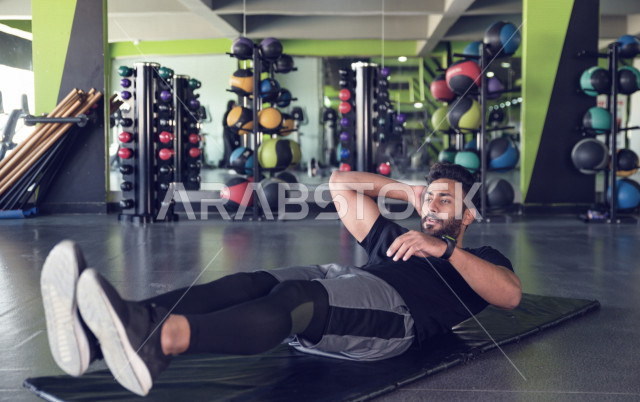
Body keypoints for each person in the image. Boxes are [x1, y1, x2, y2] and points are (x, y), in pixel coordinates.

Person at [40, 163, 521, 396]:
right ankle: (114, 328)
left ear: (470, 211)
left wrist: (446, 249)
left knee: (297, 297)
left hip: (395, 320)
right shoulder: (396, 238)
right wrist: (409, 190)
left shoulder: (481, 257)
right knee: (255, 280)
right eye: (430, 199)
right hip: (348, 281)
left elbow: (510, 297)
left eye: (445, 199)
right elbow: (340, 183)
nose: (434, 207)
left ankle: (161, 341)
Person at [218, 100, 240, 168]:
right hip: (228, 134)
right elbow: (225, 123)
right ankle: (230, 164)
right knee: (229, 149)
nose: (235, 106)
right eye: (234, 105)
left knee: (232, 148)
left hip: (232, 134)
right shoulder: (228, 113)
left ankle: (232, 163)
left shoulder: (233, 113)